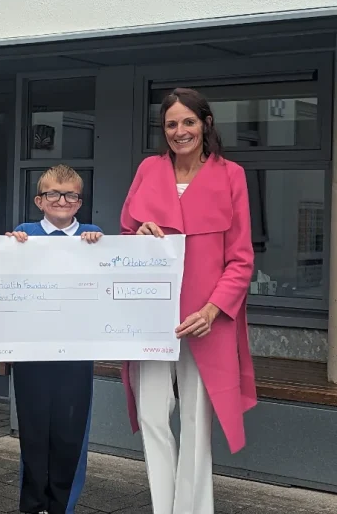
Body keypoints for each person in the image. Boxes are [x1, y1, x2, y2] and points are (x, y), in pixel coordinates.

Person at [119, 88, 257, 514]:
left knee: (197, 423)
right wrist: (138, 234)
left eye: (188, 122)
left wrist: (212, 310)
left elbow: (241, 259)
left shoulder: (231, 175)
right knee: (151, 416)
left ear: (205, 123)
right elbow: (124, 237)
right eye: (171, 124)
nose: (180, 131)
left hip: (205, 320)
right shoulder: (148, 169)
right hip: (152, 317)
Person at [7, 164, 102, 514]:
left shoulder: (93, 236)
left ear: (80, 201)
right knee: (33, 432)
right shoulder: (23, 234)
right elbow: (5, 279)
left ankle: (63, 505)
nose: (62, 200)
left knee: (70, 432)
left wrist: (97, 248)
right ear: (39, 200)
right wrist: (9, 249)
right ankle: (33, 505)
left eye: (70, 195)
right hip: (31, 354)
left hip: (76, 354)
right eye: (53, 194)